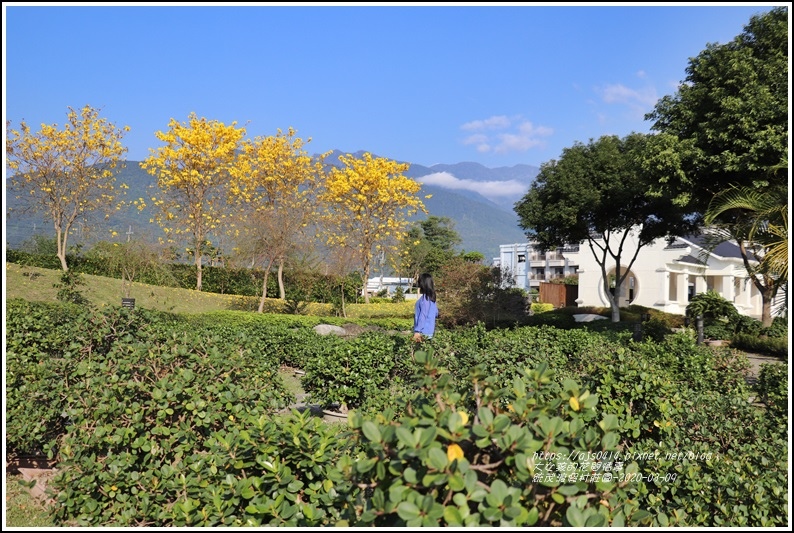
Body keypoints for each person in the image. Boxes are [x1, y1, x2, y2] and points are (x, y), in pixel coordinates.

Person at [413, 272, 439, 342]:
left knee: (420, 352)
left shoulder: (425, 299)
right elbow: (436, 313)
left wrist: (417, 331)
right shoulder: (432, 298)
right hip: (429, 331)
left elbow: (423, 315)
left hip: (422, 332)